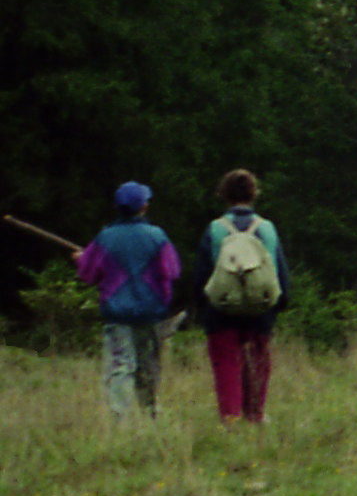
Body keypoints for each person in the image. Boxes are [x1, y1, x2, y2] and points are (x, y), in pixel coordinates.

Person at [73, 181, 181, 419]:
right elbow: (172, 271)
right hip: (150, 312)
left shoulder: (106, 237)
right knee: (148, 366)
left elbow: (88, 273)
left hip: (117, 313)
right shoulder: (157, 236)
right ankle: (150, 413)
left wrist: (81, 258)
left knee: (120, 366)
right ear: (143, 206)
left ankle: (118, 418)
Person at [197, 169, 292, 425]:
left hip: (222, 309)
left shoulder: (215, 229)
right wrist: (280, 303)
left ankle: (231, 418)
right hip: (260, 308)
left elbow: (204, 273)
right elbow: (279, 270)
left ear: (224, 194)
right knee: (257, 362)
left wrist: (202, 306)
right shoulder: (267, 229)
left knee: (227, 363)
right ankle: (255, 415)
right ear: (254, 194)